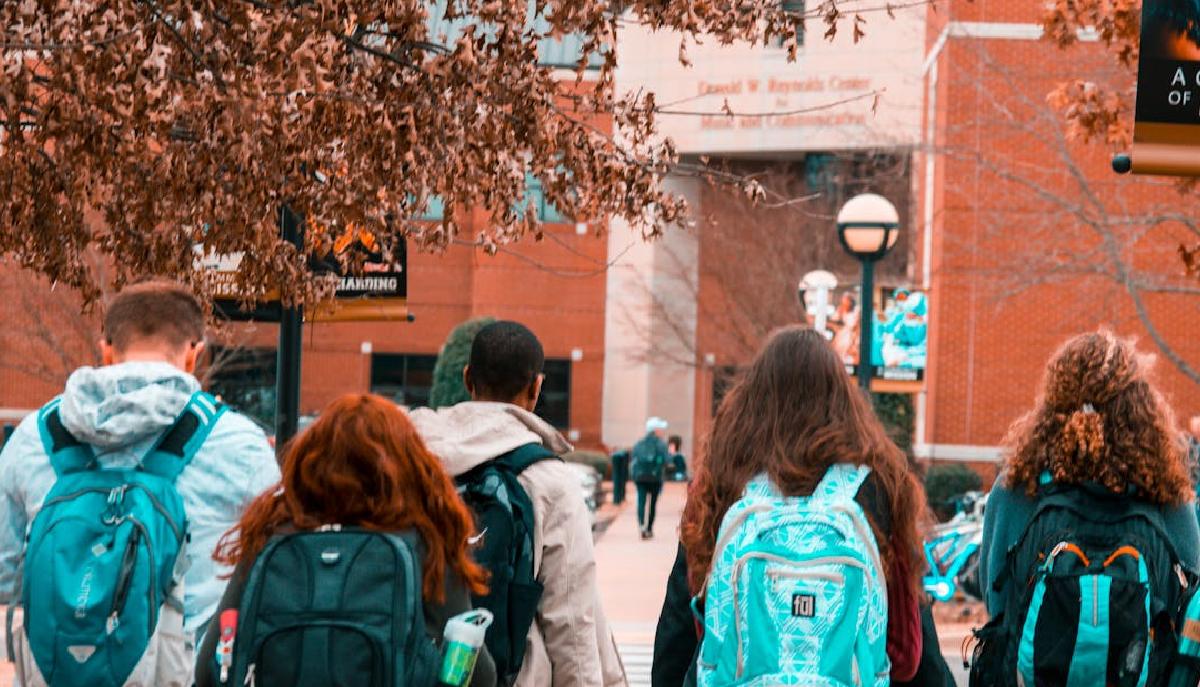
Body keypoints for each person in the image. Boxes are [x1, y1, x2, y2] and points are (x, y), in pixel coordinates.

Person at [0, 280, 279, 683]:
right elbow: (267, 574)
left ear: (106, 350)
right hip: (185, 671)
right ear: (194, 353)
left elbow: (5, 574)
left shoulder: (34, 436)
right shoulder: (239, 443)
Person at [654, 326, 953, 687]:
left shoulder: (724, 482)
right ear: (843, 401)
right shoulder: (878, 487)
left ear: (753, 400)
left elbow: (679, 627)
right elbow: (911, 647)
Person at [195, 394, 496, 687]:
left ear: (309, 462)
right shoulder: (424, 543)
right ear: (406, 466)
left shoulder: (272, 538)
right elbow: (479, 673)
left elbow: (210, 666)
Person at [976, 331, 1200, 686]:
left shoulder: (1018, 487)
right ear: (1141, 407)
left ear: (1054, 400)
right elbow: (1187, 604)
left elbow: (997, 600)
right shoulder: (1167, 494)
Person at [409, 321, 626, 687]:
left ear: (467, 379)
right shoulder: (548, 479)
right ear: (536, 387)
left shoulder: (411, 460)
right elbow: (570, 620)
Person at [632, 418, 670, 539]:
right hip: (655, 478)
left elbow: (633, 460)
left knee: (641, 501)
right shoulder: (661, 444)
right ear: (655, 430)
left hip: (640, 477)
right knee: (652, 504)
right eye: (661, 429)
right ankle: (649, 528)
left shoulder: (639, 443)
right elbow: (667, 460)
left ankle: (642, 525)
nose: (663, 431)